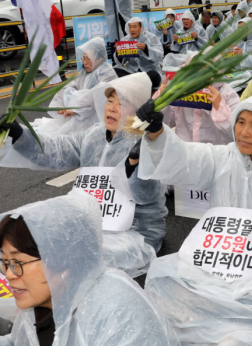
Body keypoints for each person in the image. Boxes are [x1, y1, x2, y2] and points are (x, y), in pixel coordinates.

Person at [131, 92, 252, 344]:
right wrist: (157, 133)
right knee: (163, 285)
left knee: (251, 326)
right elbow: (186, 159)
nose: (244, 133)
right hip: (219, 261)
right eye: (241, 122)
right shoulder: (226, 157)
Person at [0, 73, 167, 274]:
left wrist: (136, 165)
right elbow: (57, 150)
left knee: (72, 258)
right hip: (88, 222)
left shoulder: (147, 142)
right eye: (110, 101)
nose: (112, 108)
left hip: (132, 233)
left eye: (122, 104)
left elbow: (149, 194)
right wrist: (21, 135)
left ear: (138, 110)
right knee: (22, 230)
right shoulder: (93, 135)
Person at [0, 191, 180, 345]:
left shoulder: (118, 311)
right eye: (5, 262)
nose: (9, 274)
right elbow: (17, 342)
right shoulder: (41, 304)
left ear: (62, 260)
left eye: (17, 263)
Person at [32, 37, 117, 136]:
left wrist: (76, 109)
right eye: (83, 58)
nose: (84, 62)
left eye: (88, 59)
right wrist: (60, 104)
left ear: (100, 58)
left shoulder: (107, 73)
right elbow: (66, 87)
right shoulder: (84, 73)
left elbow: (97, 93)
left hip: (101, 120)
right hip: (82, 118)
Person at [154, 57, 240, 145]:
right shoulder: (182, 91)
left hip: (214, 153)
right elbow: (166, 123)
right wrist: (162, 100)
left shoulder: (227, 94)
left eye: (206, 69)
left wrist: (220, 107)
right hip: (184, 150)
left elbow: (235, 135)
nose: (200, 74)